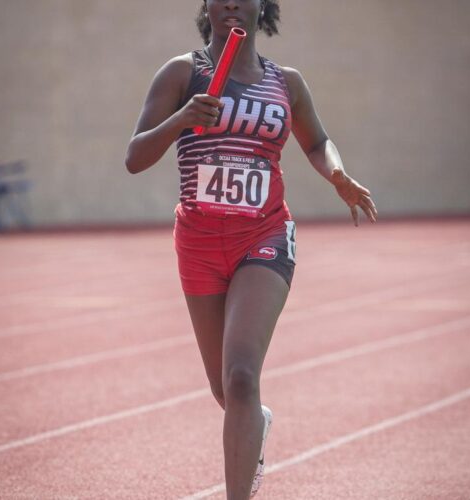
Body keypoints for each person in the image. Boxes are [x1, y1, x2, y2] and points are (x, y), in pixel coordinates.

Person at [125, 1, 377, 498]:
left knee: (241, 375)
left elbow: (316, 140)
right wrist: (181, 119)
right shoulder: (183, 72)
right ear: (207, 7)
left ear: (263, 7)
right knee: (226, 389)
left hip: (262, 235)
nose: (233, 2)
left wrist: (337, 173)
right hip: (198, 241)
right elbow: (135, 157)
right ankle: (254, 422)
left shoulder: (287, 83)